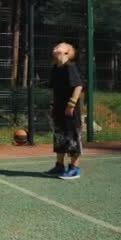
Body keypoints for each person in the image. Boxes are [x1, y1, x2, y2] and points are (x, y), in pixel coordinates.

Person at [45, 42, 83, 179]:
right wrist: (52, 105)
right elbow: (54, 89)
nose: (55, 47)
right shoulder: (55, 67)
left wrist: (71, 105)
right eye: (55, 46)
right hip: (58, 109)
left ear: (66, 53)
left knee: (72, 138)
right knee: (60, 137)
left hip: (70, 111)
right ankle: (59, 166)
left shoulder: (70, 67)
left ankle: (74, 168)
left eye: (60, 46)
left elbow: (78, 86)